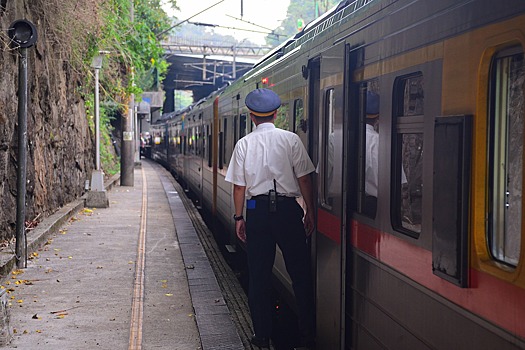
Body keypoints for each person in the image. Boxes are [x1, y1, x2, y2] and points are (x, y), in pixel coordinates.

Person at [225, 88, 316, 349]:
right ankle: (307, 336)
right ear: (276, 114)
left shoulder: (243, 144)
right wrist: (309, 210)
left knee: (259, 276)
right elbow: (304, 178)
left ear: (252, 116)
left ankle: (261, 336)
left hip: (257, 212)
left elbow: (239, 187)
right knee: (300, 274)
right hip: (288, 212)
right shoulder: (291, 140)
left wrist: (239, 217)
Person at [364, 91, 380, 217]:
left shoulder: (333, 139)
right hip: (373, 206)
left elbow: (321, 176)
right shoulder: (384, 142)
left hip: (335, 202)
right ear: (377, 117)